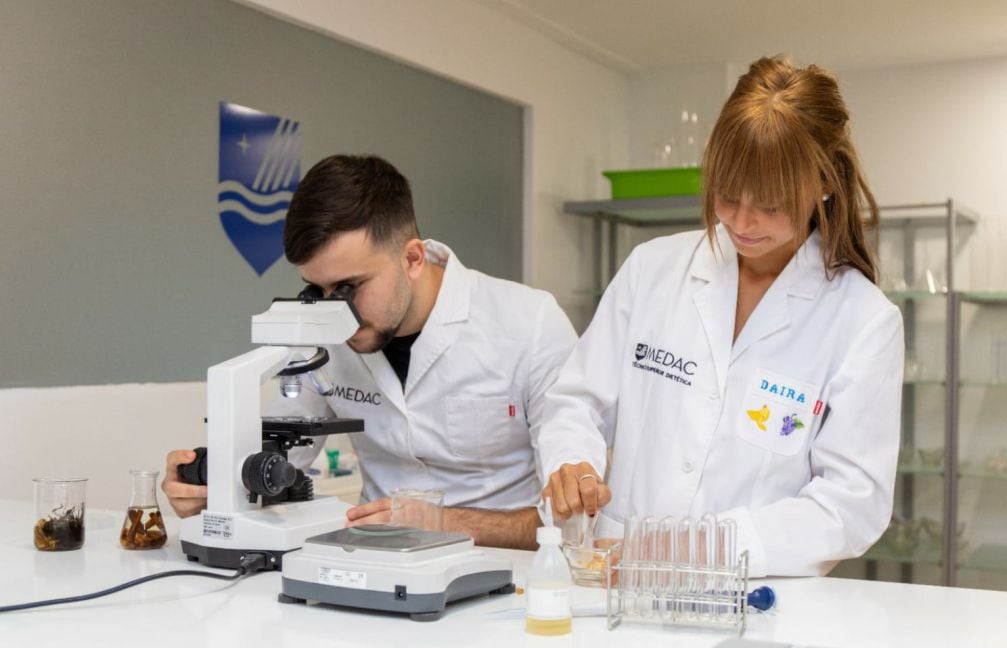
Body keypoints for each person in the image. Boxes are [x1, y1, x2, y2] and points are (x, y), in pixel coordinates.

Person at [538, 56, 904, 577]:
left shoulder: (863, 321)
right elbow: (577, 400)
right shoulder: (653, 269)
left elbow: (850, 505)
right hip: (618, 587)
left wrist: (701, 548)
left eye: (771, 204)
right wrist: (571, 464)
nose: (741, 221)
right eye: (726, 195)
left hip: (756, 601)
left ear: (824, 185)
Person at [163, 154, 577, 550]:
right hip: (373, 560)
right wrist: (212, 483)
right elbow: (277, 454)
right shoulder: (323, 336)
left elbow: (573, 517)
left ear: (412, 258)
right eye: (318, 291)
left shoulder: (530, 324)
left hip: (511, 581)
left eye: (349, 288)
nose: (334, 311)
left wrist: (444, 522)